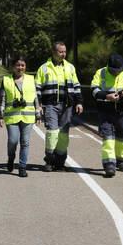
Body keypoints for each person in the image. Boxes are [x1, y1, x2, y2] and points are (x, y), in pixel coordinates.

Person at [90, 54, 123, 178]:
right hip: (105, 111)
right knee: (108, 138)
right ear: (109, 67)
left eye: (118, 70)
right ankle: (109, 165)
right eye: (113, 70)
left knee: (122, 138)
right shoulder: (101, 73)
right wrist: (106, 96)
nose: (116, 73)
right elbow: (93, 90)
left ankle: (121, 161)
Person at [35, 42, 84, 172]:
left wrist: (79, 102)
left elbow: (76, 86)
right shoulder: (44, 68)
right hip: (50, 105)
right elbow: (37, 88)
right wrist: (38, 105)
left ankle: (60, 162)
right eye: (60, 52)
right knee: (52, 132)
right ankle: (49, 161)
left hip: (67, 105)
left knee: (63, 134)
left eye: (64, 52)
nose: (63, 54)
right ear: (53, 52)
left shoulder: (70, 67)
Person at [0, 56, 41, 177]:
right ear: (13, 67)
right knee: (13, 140)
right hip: (12, 117)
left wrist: (38, 113)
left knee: (25, 142)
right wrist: (0, 116)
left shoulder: (31, 79)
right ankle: (11, 158)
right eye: (18, 65)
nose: (20, 68)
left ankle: (22, 167)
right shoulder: (6, 80)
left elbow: (36, 97)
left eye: (23, 65)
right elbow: (2, 100)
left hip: (28, 116)